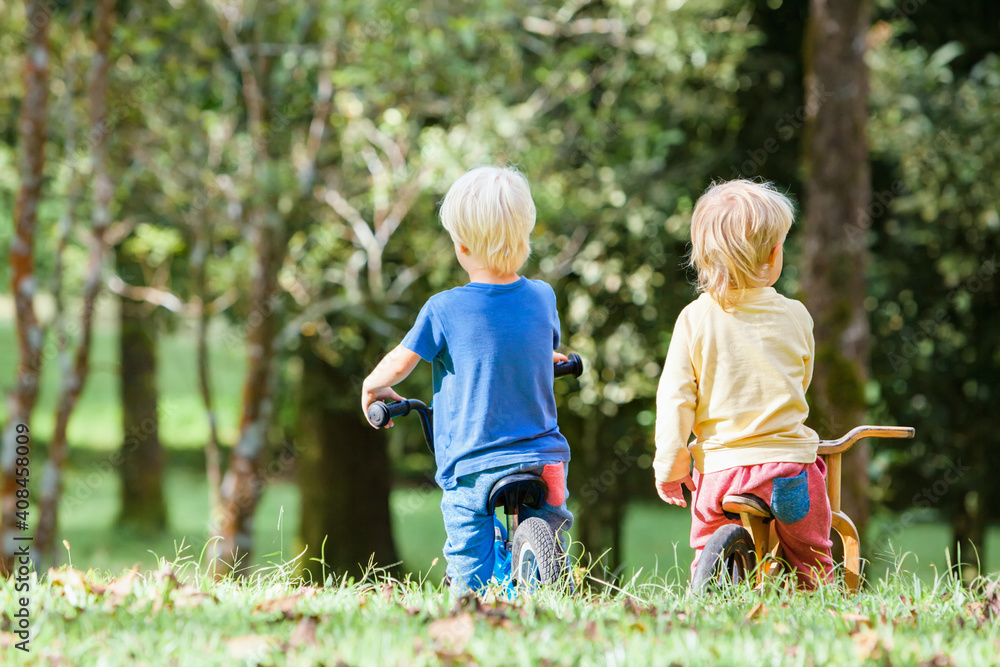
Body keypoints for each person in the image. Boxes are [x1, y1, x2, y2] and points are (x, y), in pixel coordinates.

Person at [361, 166, 572, 592]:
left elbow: (401, 363)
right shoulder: (542, 297)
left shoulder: (443, 309)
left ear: (461, 246)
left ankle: (467, 609)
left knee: (466, 558)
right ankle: (549, 568)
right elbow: (530, 341)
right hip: (545, 458)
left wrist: (372, 387)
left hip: (472, 463)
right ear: (525, 236)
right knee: (551, 519)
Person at [653, 179, 834, 586]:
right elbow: (799, 379)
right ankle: (819, 602)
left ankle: (707, 596)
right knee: (810, 556)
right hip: (789, 469)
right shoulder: (796, 316)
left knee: (705, 550)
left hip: (720, 472)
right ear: (773, 255)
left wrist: (671, 464)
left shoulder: (695, 319)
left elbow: (675, 397)